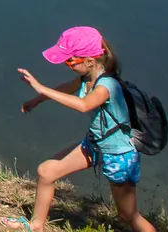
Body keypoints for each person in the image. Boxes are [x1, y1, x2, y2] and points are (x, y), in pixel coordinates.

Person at [10, 26, 157, 232]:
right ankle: (36, 225)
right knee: (46, 172)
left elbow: (85, 105)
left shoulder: (108, 86)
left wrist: (41, 87)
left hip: (119, 155)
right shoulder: (86, 78)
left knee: (128, 215)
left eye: (70, 61)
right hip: (96, 144)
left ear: (90, 61)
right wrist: (37, 100)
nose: (66, 64)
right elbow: (64, 88)